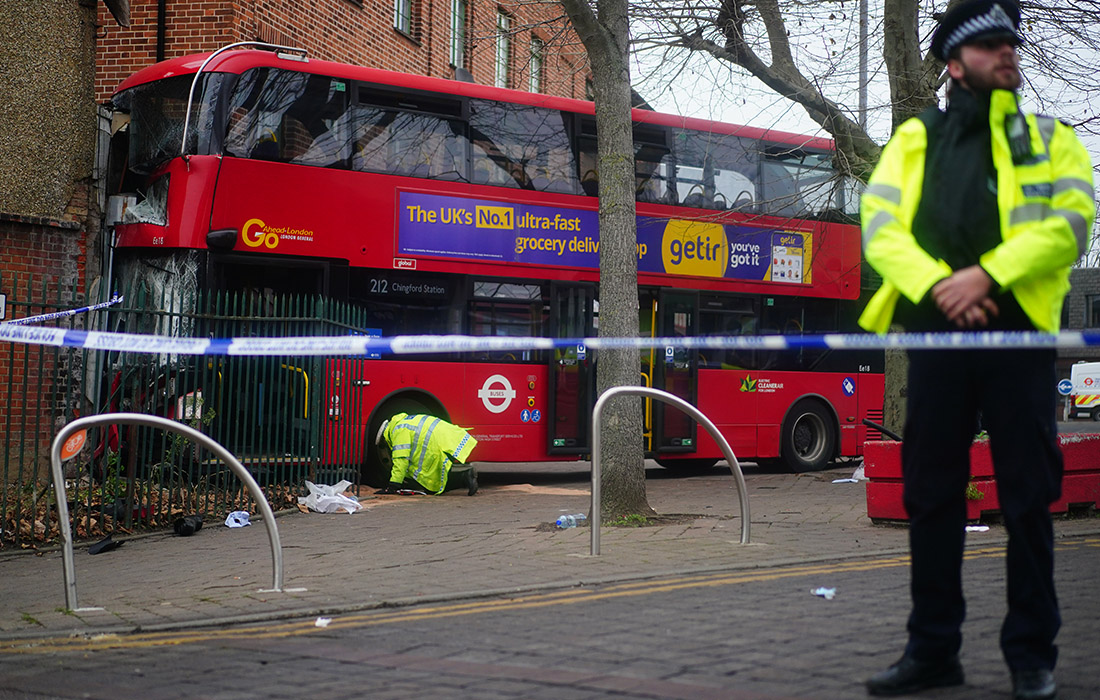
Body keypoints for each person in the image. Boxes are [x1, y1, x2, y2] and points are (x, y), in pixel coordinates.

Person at [858, 2, 1095, 699]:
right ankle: (933, 650)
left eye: (1012, 43)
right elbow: (879, 225)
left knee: (1028, 497)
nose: (1010, 53)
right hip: (934, 335)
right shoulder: (914, 138)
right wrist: (942, 287)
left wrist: (987, 275)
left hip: (1019, 338)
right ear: (956, 65)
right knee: (930, 496)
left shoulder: (1052, 137)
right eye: (992, 45)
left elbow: (1071, 224)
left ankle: (1031, 656)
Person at [375, 412, 479, 496]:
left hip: (437, 445)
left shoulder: (397, 432)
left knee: (433, 485)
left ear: (385, 436)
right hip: (448, 437)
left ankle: (465, 477)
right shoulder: (404, 422)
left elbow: (401, 460)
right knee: (436, 479)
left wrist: (393, 486)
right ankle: (465, 477)